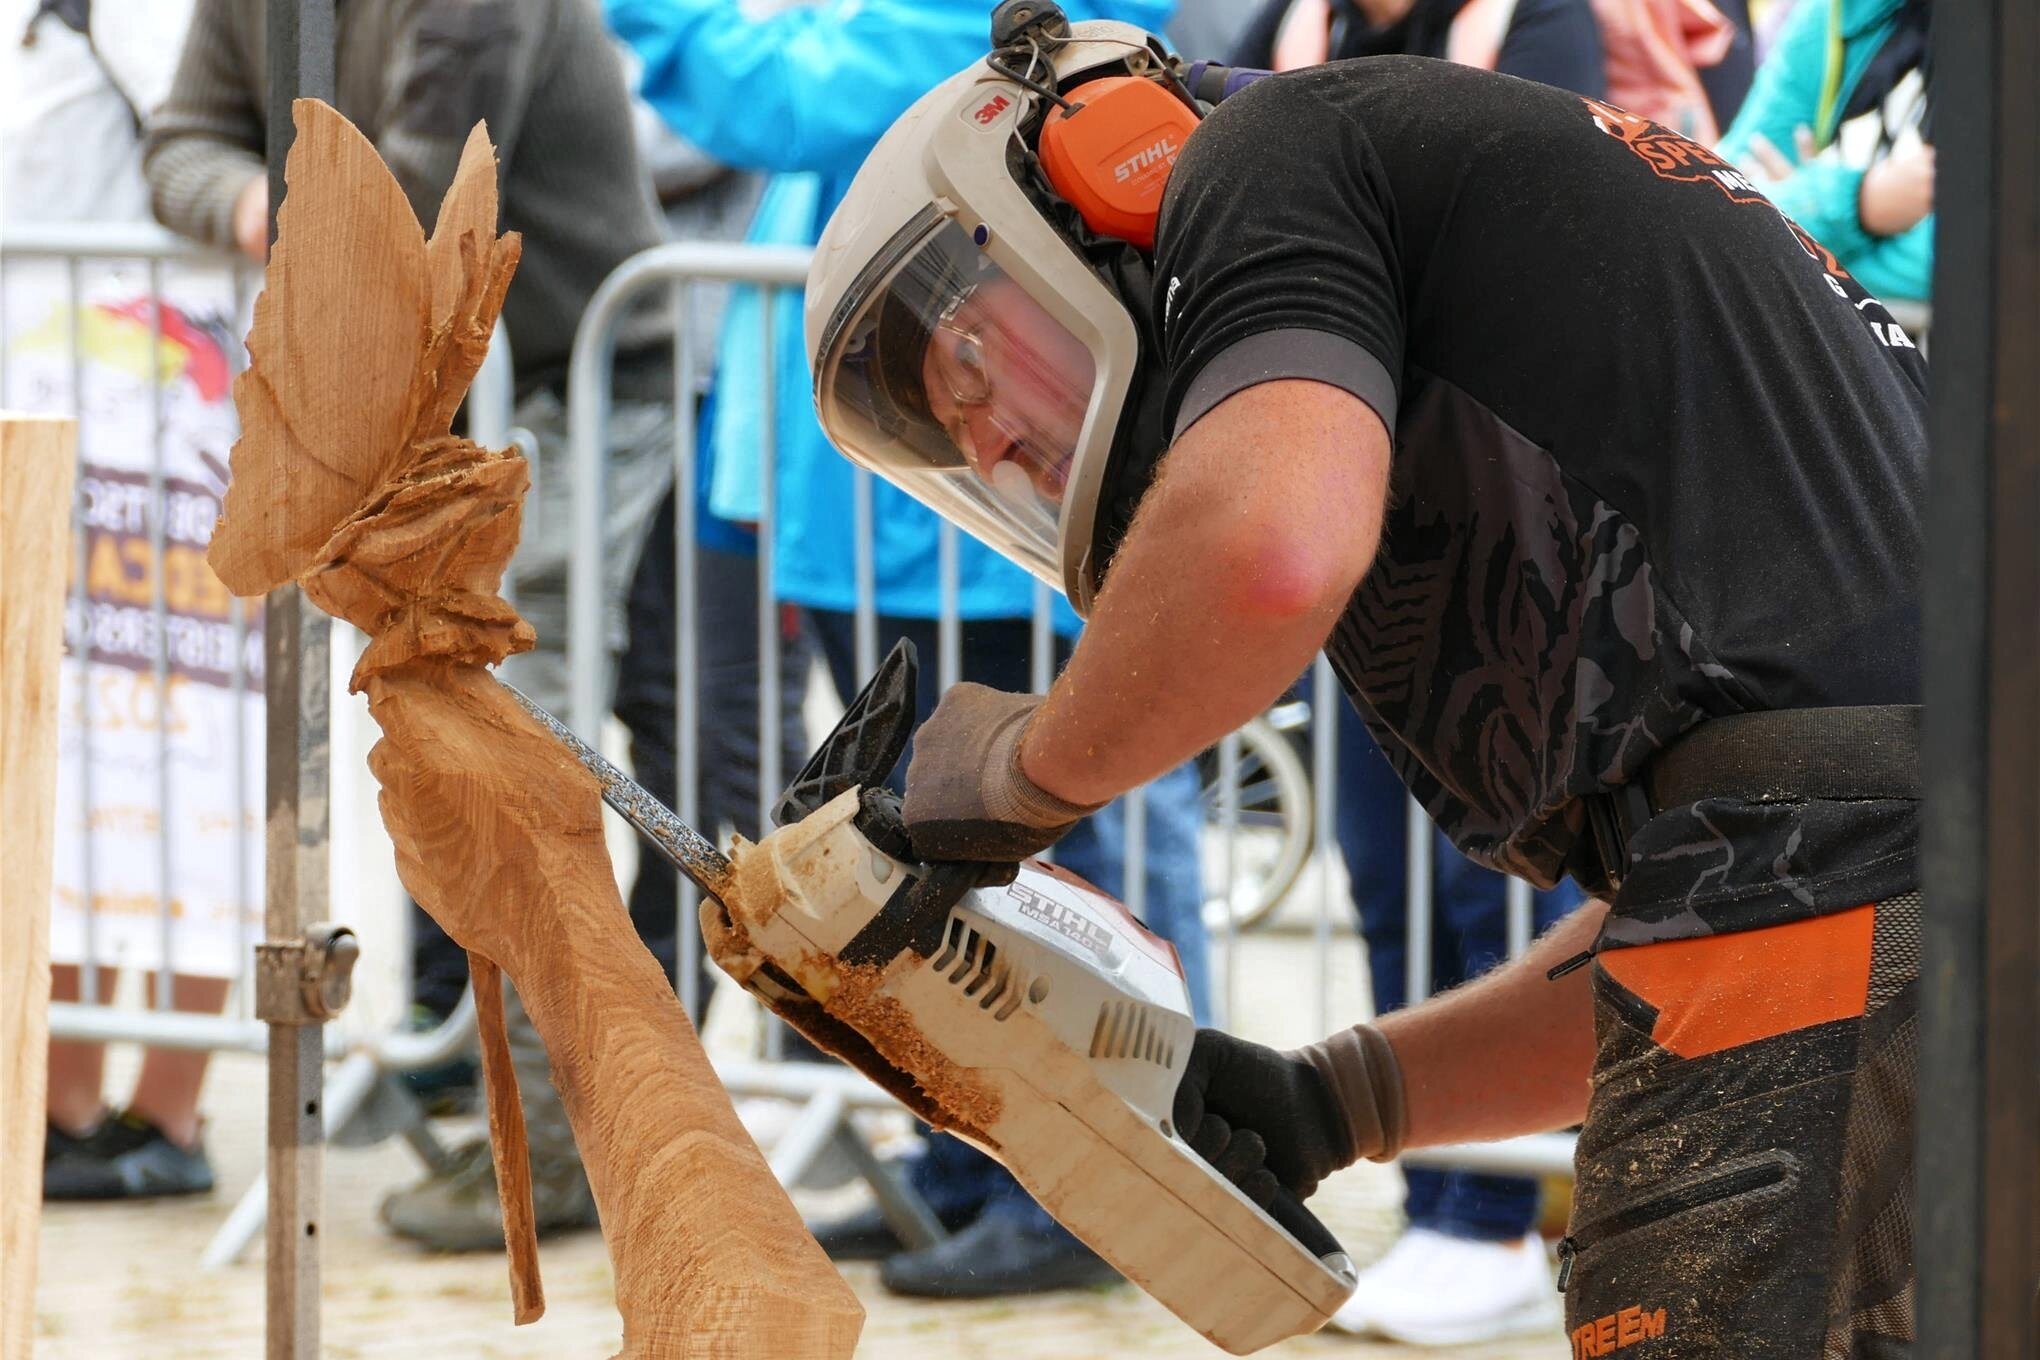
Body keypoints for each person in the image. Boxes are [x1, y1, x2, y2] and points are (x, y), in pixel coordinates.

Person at [806, 14, 1924, 1357]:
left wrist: (1016, 775)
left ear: (1108, 182)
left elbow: (1269, 550)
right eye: (956, 440)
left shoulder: (1269, 153)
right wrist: (1336, 1101)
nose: (991, 440)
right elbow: (1724, 891)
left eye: (973, 365)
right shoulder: (1450, 255)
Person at [604, 0, 1217, 1299]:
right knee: (933, 863)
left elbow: (794, 95)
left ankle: (1103, 1186)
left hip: (983, 500)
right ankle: (976, 1160)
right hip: (878, 500)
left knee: (1065, 859)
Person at [144, 0, 677, 1250]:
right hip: (430, 403)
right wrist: (255, 208)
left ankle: (561, 1146)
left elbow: (423, 189)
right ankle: (503, 1094)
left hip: (570, 387)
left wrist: (305, 222)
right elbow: (180, 139)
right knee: (475, 760)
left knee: (526, 766)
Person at [1240, 5, 1601, 1340]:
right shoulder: (1284, 25)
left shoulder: (1542, 22)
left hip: (1518, 537)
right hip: (1355, 532)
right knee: (1379, 873)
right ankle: (1437, 1202)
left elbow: (1532, 246)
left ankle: (1508, 1211)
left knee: (1494, 889)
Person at [7, 0, 235, 1202]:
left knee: (192, 755)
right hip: (51, 412)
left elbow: (216, 143)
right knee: (66, 763)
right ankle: (61, 1101)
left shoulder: (156, 17)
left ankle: (173, 1105)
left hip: (169, 424)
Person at [1716, 0, 1932, 303]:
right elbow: (1717, 210)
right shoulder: (1840, 11)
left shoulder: (2014, 33)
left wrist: (1795, 221)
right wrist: (1860, 204)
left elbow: (1972, 260)